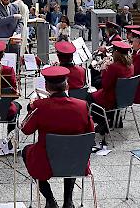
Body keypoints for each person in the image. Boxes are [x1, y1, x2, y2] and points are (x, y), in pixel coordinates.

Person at [22, 66, 95, 208]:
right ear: (67, 85)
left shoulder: (40, 106)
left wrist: (32, 108)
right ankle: (68, 201)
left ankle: (50, 200)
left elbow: (26, 130)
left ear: (46, 87)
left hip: (46, 161)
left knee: (26, 151)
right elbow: (90, 132)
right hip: (75, 161)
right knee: (72, 151)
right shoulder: (82, 105)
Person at [87, 41, 134, 143]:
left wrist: (104, 69)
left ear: (117, 53)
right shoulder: (131, 66)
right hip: (124, 98)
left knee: (88, 97)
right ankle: (109, 119)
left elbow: (105, 85)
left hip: (111, 98)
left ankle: (103, 122)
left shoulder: (114, 67)